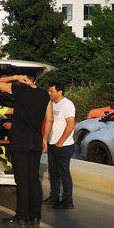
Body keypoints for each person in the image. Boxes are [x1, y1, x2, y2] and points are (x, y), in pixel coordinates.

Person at [0, 73, 50, 227]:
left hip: (20, 142)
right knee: (33, 179)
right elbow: (49, 118)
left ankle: (22, 217)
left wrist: (15, 77)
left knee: (22, 180)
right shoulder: (44, 94)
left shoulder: (18, 88)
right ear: (35, 80)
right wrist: (44, 139)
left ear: (25, 79)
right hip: (36, 141)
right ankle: (35, 217)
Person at [43, 81, 76, 209]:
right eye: (49, 91)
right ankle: (54, 197)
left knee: (64, 173)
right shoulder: (51, 103)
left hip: (64, 146)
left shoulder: (67, 105)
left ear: (60, 92)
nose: (49, 93)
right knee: (53, 172)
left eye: (51, 91)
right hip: (52, 144)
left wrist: (61, 141)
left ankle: (68, 201)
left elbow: (70, 124)